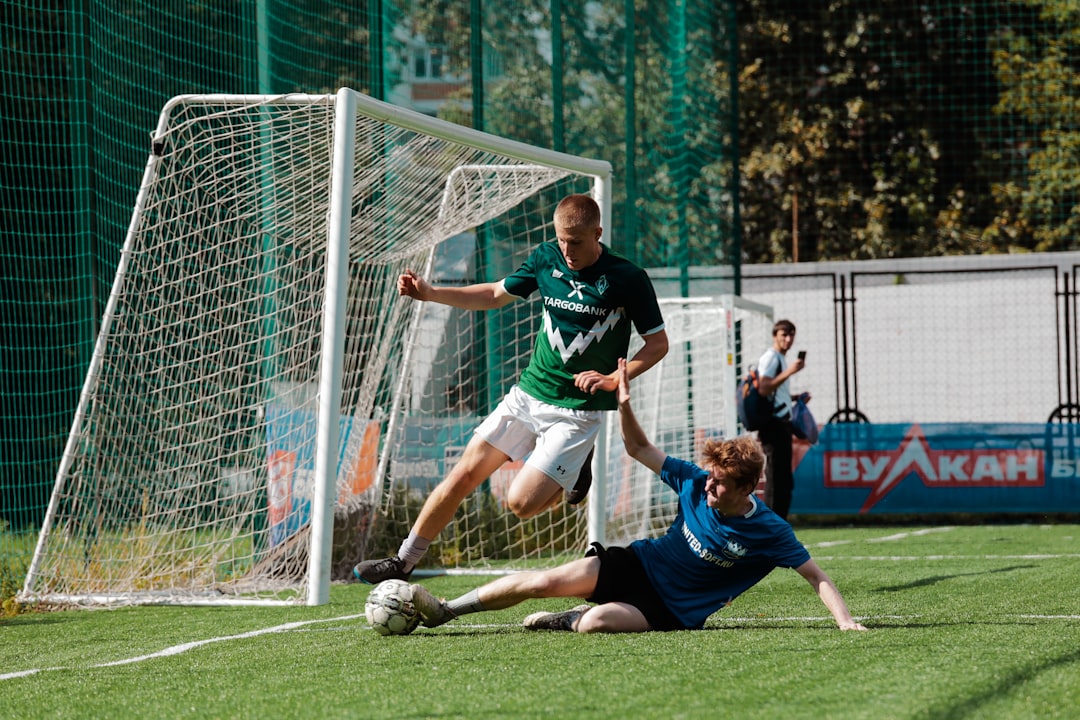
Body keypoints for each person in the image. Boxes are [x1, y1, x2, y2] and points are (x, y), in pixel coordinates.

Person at [408, 358, 867, 634]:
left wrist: (845, 621)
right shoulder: (692, 480)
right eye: (709, 476)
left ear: (747, 488)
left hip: (670, 610)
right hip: (636, 563)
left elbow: (815, 575)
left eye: (721, 482)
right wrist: (623, 404)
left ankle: (566, 618)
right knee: (540, 581)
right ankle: (447, 610)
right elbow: (639, 448)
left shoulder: (768, 529)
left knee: (595, 625)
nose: (709, 485)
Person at [354, 194, 669, 584]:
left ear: (597, 233)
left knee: (519, 504)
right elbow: (493, 295)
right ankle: (402, 562)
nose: (567, 250)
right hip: (527, 394)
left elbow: (658, 344)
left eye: (576, 241)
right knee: (462, 475)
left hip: (577, 411)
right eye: (561, 240)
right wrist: (431, 292)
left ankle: (573, 469)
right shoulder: (546, 258)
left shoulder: (628, 278)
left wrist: (613, 379)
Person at [756, 319, 809, 520]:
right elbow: (763, 387)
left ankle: (777, 525)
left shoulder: (780, 359)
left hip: (781, 425)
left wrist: (796, 397)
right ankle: (772, 525)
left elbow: (775, 392)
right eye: (784, 335)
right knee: (776, 480)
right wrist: (790, 371)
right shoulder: (771, 358)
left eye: (791, 334)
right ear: (774, 336)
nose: (788, 339)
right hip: (773, 425)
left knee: (783, 480)